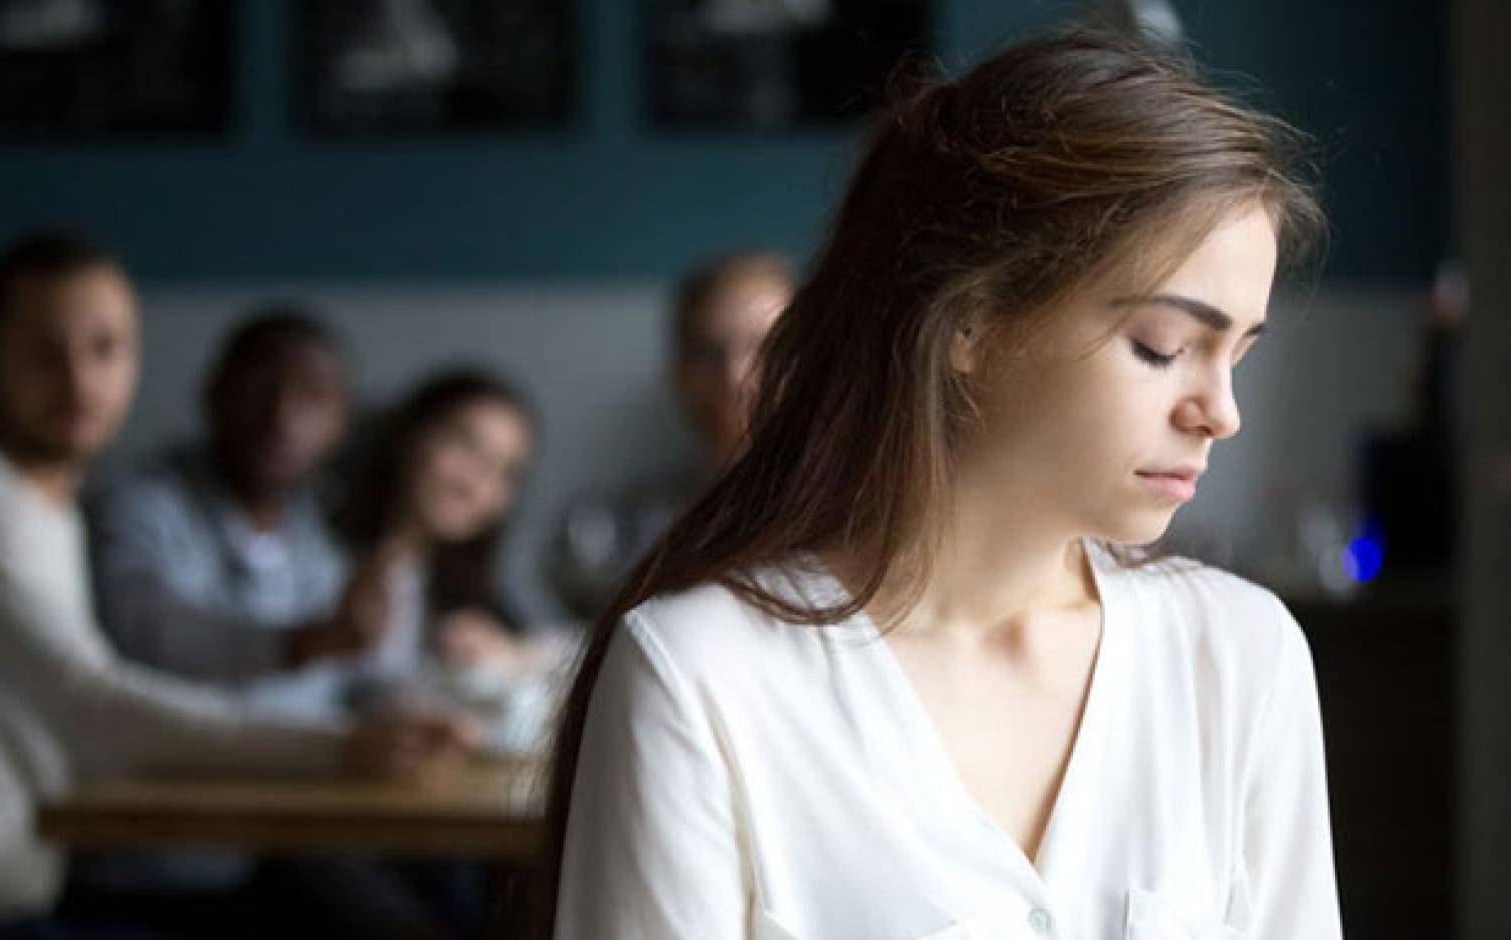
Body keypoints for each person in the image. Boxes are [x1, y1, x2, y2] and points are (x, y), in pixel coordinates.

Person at [546, 28, 1340, 940]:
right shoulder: (703, 675)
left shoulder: (1239, 655)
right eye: (1163, 348)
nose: (1219, 411)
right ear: (969, 324)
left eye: (1237, 353)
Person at [0, 233, 474, 937]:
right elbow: (93, 699)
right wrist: (340, 745)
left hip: (22, 888)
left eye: (105, 349)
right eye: (42, 350)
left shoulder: (42, 507)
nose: (78, 381)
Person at [89, 308, 371, 722]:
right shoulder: (139, 505)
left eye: (312, 395)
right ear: (213, 394)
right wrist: (301, 643)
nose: (282, 419)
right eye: (260, 386)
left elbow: (367, 685)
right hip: (171, 778)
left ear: (343, 424)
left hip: (314, 779)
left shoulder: (332, 529)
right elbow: (145, 631)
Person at [548, 252, 793, 620]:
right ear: (678, 372)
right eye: (709, 353)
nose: (735, 376)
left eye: (763, 345)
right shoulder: (622, 529)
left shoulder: (855, 516)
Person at [336, 369, 552, 716]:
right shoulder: (319, 561)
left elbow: (570, 653)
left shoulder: (482, 594)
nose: (473, 485)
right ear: (408, 435)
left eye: (503, 471)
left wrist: (512, 656)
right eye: (465, 445)